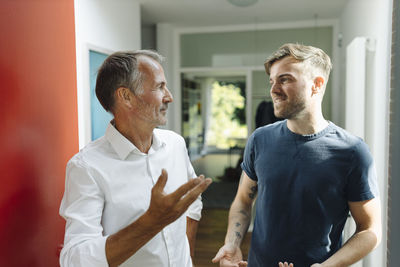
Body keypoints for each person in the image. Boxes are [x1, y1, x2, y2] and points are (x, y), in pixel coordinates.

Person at [212, 43, 381, 267]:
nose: (273, 89)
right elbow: (243, 200)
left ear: (316, 84)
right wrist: (232, 244)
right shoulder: (260, 140)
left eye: (285, 79)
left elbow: (370, 230)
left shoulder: (352, 152)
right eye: (272, 81)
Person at [59, 50, 212, 267]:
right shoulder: (86, 167)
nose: (169, 96)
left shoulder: (176, 144)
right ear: (126, 97)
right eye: (160, 87)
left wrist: (187, 256)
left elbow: (192, 201)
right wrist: (149, 223)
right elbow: (74, 260)